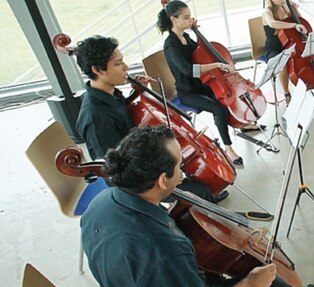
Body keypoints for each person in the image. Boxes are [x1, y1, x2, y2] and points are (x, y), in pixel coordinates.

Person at [81, 126, 314, 287]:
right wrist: (250, 284)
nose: (183, 173)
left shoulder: (102, 201)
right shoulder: (162, 249)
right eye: (179, 167)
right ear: (161, 180)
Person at [73, 35, 271, 219]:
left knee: (202, 183)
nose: (126, 67)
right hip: (136, 180)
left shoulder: (111, 94)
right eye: (118, 64)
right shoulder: (95, 117)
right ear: (98, 70)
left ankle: (205, 200)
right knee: (200, 190)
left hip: (143, 155)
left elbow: (131, 123)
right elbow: (115, 173)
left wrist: (138, 93)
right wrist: (163, 175)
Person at [158, 0, 263, 166]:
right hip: (188, 92)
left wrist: (196, 32)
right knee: (219, 109)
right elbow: (188, 70)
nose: (190, 20)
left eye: (190, 16)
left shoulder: (185, 36)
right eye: (186, 17)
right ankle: (228, 149)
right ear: (173, 19)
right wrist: (217, 65)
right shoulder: (171, 46)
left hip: (201, 85)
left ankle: (243, 123)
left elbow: (200, 53)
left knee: (227, 98)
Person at [261, 0, 308, 102]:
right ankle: (287, 93)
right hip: (274, 47)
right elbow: (272, 23)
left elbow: (301, 22)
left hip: (290, 43)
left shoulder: (285, 7)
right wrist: (293, 25)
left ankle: (305, 86)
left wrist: (295, 10)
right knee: (282, 65)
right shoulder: (267, 11)